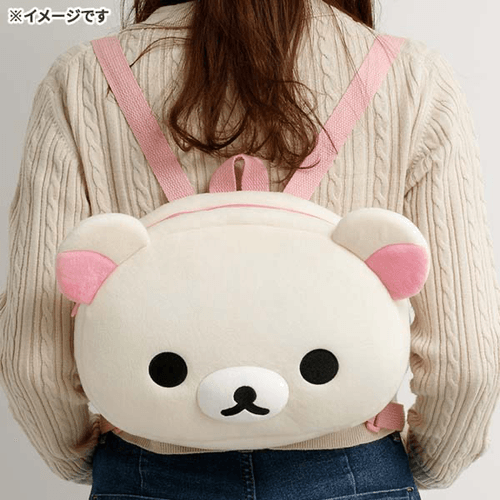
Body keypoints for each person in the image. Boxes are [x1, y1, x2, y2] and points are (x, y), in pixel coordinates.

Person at [0, 0, 499, 498]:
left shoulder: (84, 77)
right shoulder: (412, 75)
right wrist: (427, 466)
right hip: (352, 470)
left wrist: (83, 457)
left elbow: (33, 361)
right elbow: (467, 362)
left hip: (148, 472)